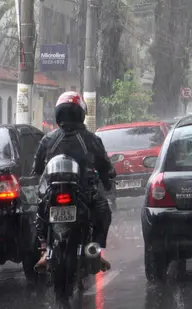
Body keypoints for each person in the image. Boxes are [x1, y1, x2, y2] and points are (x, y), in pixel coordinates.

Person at [31, 91, 115, 273]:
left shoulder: (49, 139)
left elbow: (37, 169)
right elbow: (105, 167)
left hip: (53, 192)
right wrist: (108, 180)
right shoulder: (91, 139)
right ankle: (94, 250)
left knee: (39, 212)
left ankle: (45, 250)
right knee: (103, 210)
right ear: (81, 114)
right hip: (83, 192)